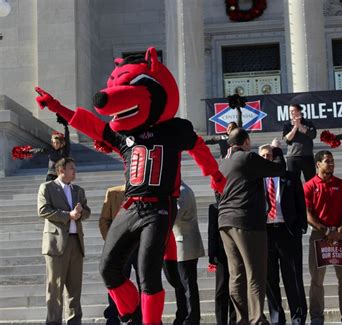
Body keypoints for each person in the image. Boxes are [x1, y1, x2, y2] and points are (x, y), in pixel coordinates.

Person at [35, 48, 225, 324]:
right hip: (131, 207)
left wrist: (215, 175)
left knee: (148, 274)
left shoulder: (174, 129)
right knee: (108, 269)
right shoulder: (124, 135)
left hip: (160, 208)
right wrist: (57, 108)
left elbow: (197, 147)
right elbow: (91, 124)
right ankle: (133, 314)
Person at [218, 128, 286, 324]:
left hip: (225, 221)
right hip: (247, 221)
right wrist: (276, 151)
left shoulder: (224, 163)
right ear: (246, 141)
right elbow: (278, 169)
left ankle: (241, 320)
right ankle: (257, 319)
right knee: (255, 272)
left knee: (236, 274)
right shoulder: (247, 158)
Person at [304, 150, 342, 325]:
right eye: (328, 161)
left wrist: (340, 230)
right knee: (316, 279)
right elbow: (307, 213)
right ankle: (317, 317)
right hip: (319, 235)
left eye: (333, 161)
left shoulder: (341, 185)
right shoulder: (310, 186)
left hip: (341, 234)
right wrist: (324, 230)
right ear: (318, 164)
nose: (332, 164)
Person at [37, 157, 91, 325]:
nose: (74, 171)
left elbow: (87, 212)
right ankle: (53, 322)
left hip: (76, 243)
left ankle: (74, 321)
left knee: (75, 288)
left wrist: (81, 213)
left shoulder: (78, 190)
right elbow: (43, 210)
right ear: (61, 170)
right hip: (56, 245)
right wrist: (68, 215)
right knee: (55, 289)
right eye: (71, 168)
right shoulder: (47, 187)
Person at [258, 144, 308, 325]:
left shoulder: (290, 178)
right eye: (262, 156)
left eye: (269, 155)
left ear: (276, 157)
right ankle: (277, 318)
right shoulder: (254, 180)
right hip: (265, 234)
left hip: (287, 233)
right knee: (270, 280)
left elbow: (301, 205)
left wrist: (301, 228)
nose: (266, 159)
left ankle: (298, 317)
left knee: (293, 278)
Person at [98, 185, 141, 325]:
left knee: (145, 282)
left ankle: (142, 316)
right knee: (115, 282)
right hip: (120, 248)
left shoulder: (144, 192)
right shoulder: (113, 193)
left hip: (140, 246)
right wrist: (112, 243)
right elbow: (104, 220)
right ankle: (113, 316)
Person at [173, 181, 205, 325]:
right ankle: (186, 315)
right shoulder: (183, 189)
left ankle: (192, 317)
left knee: (188, 284)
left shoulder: (181, 191)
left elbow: (175, 216)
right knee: (185, 283)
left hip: (184, 243)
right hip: (184, 243)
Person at [208, 202, 236, 325]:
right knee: (221, 290)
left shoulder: (235, 205)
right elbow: (212, 231)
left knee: (235, 288)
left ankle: (234, 321)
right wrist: (211, 254)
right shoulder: (214, 208)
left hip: (235, 252)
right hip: (221, 254)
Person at [29, 116, 71, 181]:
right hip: (50, 176)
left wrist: (66, 127)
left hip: (61, 176)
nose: (55, 144)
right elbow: (39, 150)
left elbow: (67, 139)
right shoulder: (50, 150)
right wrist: (29, 151)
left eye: (57, 143)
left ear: (61, 143)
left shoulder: (65, 150)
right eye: (54, 143)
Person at [282, 104, 317, 182]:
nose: (291, 113)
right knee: (293, 183)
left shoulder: (308, 123)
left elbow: (313, 135)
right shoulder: (287, 125)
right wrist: (295, 127)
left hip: (307, 156)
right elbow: (287, 140)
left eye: (293, 111)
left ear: (299, 111)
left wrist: (300, 125)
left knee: (311, 181)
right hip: (293, 157)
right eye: (290, 111)